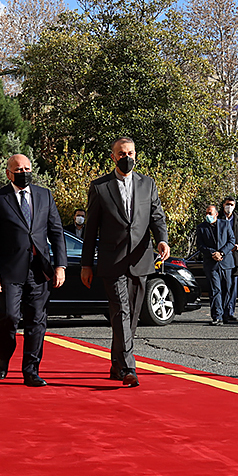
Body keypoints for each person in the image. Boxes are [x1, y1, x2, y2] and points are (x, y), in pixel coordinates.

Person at [81, 137, 170, 387]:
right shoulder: (100, 187)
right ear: (113, 157)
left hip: (140, 259)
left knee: (131, 316)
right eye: (121, 153)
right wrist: (86, 264)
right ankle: (129, 367)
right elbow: (91, 230)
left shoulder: (147, 184)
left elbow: (157, 217)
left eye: (130, 153)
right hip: (112, 261)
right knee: (121, 311)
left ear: (135, 155)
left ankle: (116, 364)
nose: (126, 157)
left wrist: (162, 240)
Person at [0, 154, 67, 386]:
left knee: (37, 321)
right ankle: (4, 356)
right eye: (19, 169)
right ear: (9, 173)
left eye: (27, 168)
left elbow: (56, 231)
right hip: (9, 271)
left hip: (39, 270)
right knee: (9, 317)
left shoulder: (44, 195)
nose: (24, 172)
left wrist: (60, 265)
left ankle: (31, 370)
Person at [196, 204, 236, 325]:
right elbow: (200, 245)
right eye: (206, 213)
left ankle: (226, 314)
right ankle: (217, 316)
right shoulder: (201, 227)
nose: (208, 215)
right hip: (211, 263)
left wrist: (222, 253)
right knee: (215, 289)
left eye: (210, 213)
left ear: (216, 214)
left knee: (227, 288)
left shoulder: (225, 224)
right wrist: (212, 253)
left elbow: (231, 240)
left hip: (226, 262)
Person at [218, 196, 238, 323]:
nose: (229, 207)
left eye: (232, 204)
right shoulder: (218, 218)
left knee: (232, 287)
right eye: (227, 204)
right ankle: (220, 312)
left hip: (234, 257)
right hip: (221, 257)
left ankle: (230, 311)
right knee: (221, 287)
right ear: (223, 205)